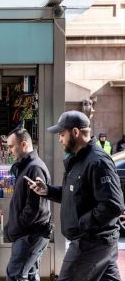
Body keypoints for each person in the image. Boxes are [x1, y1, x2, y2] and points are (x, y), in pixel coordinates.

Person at [29, 111, 124, 281]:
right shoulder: (78, 160)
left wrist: (81, 225)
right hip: (93, 242)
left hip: (90, 243)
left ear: (75, 132)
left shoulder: (98, 161)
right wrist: (48, 191)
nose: (60, 139)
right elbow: (74, 195)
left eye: (62, 134)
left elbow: (113, 205)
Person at [4, 128, 51, 281]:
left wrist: (18, 226)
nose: (10, 151)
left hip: (29, 235)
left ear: (23, 145)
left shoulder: (34, 168)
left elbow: (35, 207)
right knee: (29, 274)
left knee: (15, 275)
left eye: (11, 146)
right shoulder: (26, 166)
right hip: (29, 234)